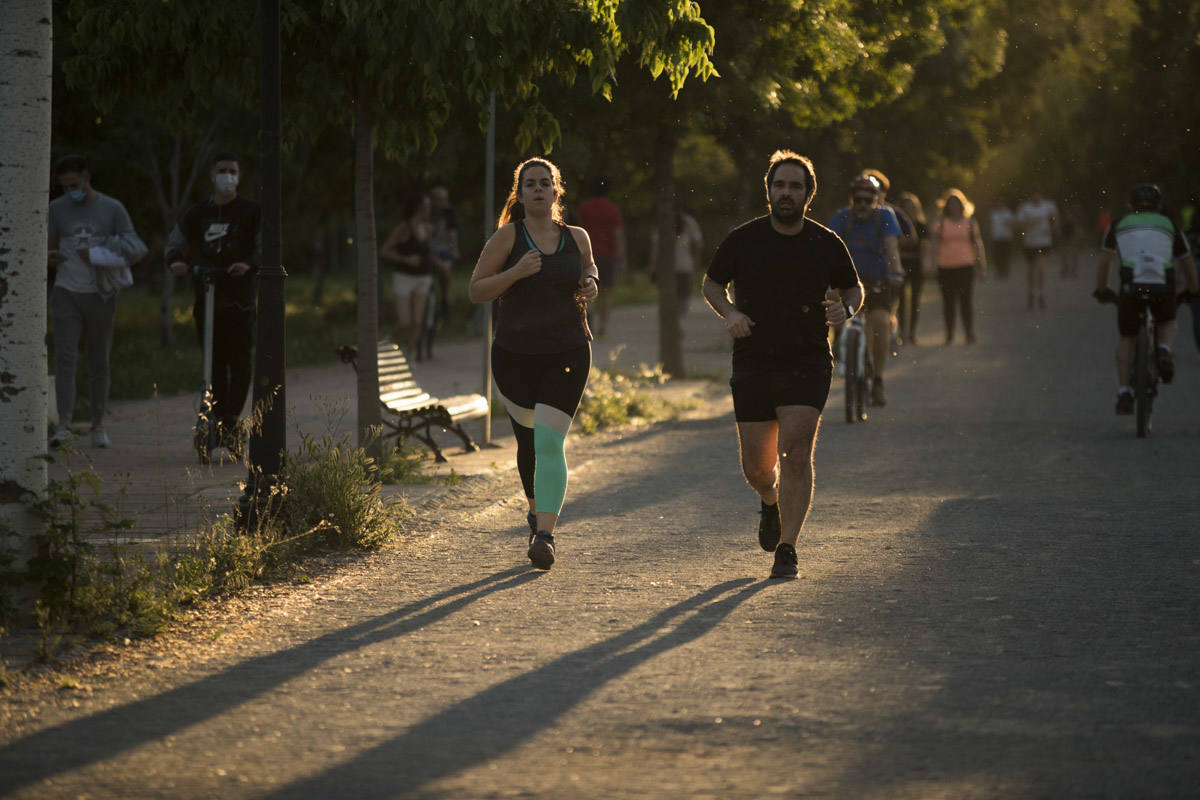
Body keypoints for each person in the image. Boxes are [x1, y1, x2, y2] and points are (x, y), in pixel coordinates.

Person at [701, 150, 863, 580]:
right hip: (753, 361)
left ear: (809, 194)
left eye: (795, 186)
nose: (786, 193)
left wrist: (845, 311)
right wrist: (730, 313)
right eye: (779, 185)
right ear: (768, 191)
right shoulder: (743, 239)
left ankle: (788, 548)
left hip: (807, 359)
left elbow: (854, 289)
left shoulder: (826, 242)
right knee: (757, 467)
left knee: (795, 454)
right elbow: (711, 283)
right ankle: (770, 501)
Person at [468, 157, 600, 571]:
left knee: (548, 442)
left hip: (568, 352)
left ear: (556, 193)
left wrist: (593, 281)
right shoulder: (508, 238)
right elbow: (476, 291)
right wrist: (516, 273)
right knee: (527, 443)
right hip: (515, 357)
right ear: (520, 194)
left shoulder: (577, 236)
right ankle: (535, 510)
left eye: (546, 183)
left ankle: (545, 535)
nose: (539, 189)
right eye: (531, 184)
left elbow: (589, 266)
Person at [47, 154, 149, 448]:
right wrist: (54, 258)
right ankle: (64, 423)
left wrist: (100, 248)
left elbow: (135, 247)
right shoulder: (57, 209)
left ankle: (97, 424)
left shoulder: (111, 208)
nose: (71, 192)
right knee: (66, 357)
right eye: (65, 187)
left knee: (98, 360)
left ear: (87, 178)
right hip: (66, 290)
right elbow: (51, 248)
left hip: (100, 293)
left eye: (75, 185)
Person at [166, 152, 262, 456]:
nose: (227, 176)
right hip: (206, 295)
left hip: (240, 299)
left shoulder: (250, 211)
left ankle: (232, 419)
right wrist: (176, 262)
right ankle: (218, 420)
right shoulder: (197, 214)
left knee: (241, 361)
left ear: (239, 176)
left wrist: (248, 264)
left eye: (232, 171)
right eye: (222, 170)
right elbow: (175, 244)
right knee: (214, 362)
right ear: (212, 175)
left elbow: (265, 247)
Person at [1093, 183, 1198, 414]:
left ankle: (1123, 393)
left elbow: (1105, 262)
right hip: (1162, 287)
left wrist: (1102, 289)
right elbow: (1187, 262)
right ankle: (1163, 349)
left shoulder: (1118, 224)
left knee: (1127, 338)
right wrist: (1193, 290)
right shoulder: (1170, 225)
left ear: (1131, 206)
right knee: (1168, 320)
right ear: (1159, 205)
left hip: (1131, 288)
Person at [827, 174, 904, 406]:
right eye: (858, 200)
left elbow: (891, 247)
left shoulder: (884, 217)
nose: (862, 205)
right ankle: (841, 342)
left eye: (867, 200)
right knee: (831, 301)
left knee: (880, 322)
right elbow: (829, 249)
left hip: (877, 280)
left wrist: (897, 270)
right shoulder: (841, 218)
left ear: (876, 199)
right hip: (849, 283)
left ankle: (878, 378)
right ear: (852, 199)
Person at [380, 192, 449, 358]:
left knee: (418, 322)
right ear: (418, 208)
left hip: (423, 278)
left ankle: (408, 356)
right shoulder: (404, 228)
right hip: (404, 277)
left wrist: (438, 262)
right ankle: (386, 342)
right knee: (405, 321)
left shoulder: (427, 228)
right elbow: (385, 251)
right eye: (426, 206)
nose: (429, 209)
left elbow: (425, 253)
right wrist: (405, 259)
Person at [861, 168, 916, 348]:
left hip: (887, 267)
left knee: (885, 308)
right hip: (862, 268)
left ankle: (890, 333)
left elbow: (912, 236)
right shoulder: (856, 213)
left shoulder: (892, 212)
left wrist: (891, 243)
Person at [931, 188, 988, 344]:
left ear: (963, 205)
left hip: (965, 266)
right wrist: (931, 263)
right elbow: (934, 245)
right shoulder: (940, 223)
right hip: (945, 267)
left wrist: (981, 265)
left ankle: (969, 332)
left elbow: (977, 244)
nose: (954, 207)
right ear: (946, 206)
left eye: (957, 203)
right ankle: (949, 334)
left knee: (965, 301)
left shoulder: (969, 222)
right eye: (951, 204)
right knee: (948, 302)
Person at [575, 177, 625, 336]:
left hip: (586, 254)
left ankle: (588, 320)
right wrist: (621, 257)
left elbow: (578, 229)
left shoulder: (584, 207)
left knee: (585, 289)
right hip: (608, 255)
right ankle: (602, 326)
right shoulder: (613, 209)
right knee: (606, 292)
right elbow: (617, 234)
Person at [649, 205, 704, 320]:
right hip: (685, 265)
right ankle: (679, 320)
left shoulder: (663, 222)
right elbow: (698, 244)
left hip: (666, 267)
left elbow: (656, 248)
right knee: (684, 297)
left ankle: (672, 322)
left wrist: (653, 266)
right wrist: (695, 260)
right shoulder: (689, 222)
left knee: (668, 297)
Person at [895, 192, 930, 345]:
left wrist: (926, 264)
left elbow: (925, 247)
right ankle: (902, 333)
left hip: (916, 264)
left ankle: (912, 333)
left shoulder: (922, 226)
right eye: (906, 207)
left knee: (915, 300)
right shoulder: (896, 225)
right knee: (901, 300)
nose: (910, 210)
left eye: (912, 207)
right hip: (901, 264)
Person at [1016, 189, 1059, 309]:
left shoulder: (1048, 205)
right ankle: (1031, 292)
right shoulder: (1025, 208)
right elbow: (1019, 224)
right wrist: (1030, 223)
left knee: (1040, 267)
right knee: (1031, 269)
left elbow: (1055, 218)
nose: (1036, 196)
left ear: (1041, 195)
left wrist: (1052, 228)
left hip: (1043, 241)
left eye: (1038, 194)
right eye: (1034, 194)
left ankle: (1041, 293)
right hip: (1030, 242)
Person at [987, 201, 1015, 280]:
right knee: (997, 255)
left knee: (1005, 255)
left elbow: (1012, 223)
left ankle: (1005, 270)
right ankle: (999, 271)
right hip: (996, 237)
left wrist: (1008, 223)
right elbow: (991, 225)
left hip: (1006, 237)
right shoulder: (993, 213)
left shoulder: (1008, 212)